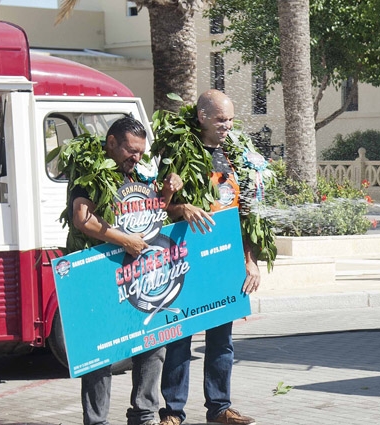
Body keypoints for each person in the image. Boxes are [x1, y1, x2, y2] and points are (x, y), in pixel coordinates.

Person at [68, 116, 212, 425]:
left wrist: (170, 195)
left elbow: (151, 215)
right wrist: (124, 240)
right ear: (111, 144)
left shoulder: (137, 175)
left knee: (153, 342)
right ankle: (97, 422)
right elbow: (83, 218)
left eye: (140, 152)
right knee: (102, 352)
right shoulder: (90, 173)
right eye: (130, 151)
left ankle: (143, 415)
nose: (136, 157)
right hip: (102, 276)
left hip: (141, 275)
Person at [159, 89, 261, 425]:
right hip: (187, 261)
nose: (227, 126)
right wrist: (180, 206)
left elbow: (248, 217)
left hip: (225, 261)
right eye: (220, 120)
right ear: (201, 116)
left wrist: (251, 261)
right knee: (180, 341)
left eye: (230, 120)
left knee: (222, 341)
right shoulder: (178, 153)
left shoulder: (237, 156)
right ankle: (172, 413)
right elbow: (155, 207)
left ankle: (219, 408)